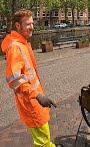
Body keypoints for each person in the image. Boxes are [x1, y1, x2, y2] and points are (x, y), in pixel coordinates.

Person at [1, 9, 57, 147]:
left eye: (32, 23)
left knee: (44, 138)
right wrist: (37, 95)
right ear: (18, 26)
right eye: (28, 24)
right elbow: (14, 80)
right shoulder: (15, 47)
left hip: (34, 99)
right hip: (31, 102)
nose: (32, 27)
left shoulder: (22, 43)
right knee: (42, 142)